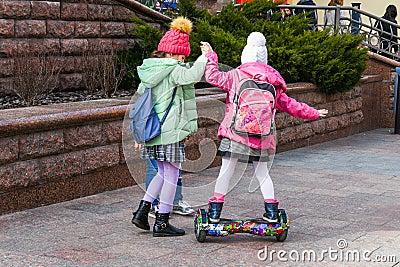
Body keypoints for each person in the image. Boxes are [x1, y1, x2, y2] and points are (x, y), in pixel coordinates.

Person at [200, 32, 328, 223]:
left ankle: (215, 213)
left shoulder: (236, 76)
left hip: (235, 134)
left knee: (226, 171)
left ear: (246, 55)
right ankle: (272, 212)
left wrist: (210, 55)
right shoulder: (273, 83)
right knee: (262, 174)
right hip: (261, 137)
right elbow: (292, 105)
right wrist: (314, 112)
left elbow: (212, 77)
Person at [131, 16, 209, 237]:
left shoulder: (151, 70)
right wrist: (205, 57)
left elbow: (140, 100)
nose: (184, 59)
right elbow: (192, 75)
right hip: (169, 131)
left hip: (152, 131)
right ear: (175, 53)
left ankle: (142, 211)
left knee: (163, 172)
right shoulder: (173, 68)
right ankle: (162, 222)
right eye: (183, 54)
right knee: (172, 174)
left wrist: (139, 134)